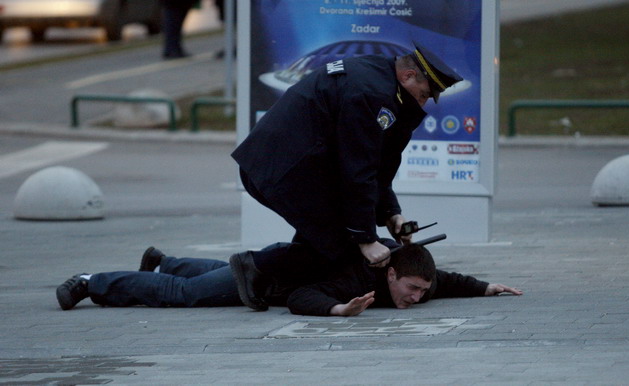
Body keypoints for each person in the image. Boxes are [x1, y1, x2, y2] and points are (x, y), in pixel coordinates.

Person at [230, 42, 464, 311]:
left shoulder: (381, 78)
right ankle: (254, 266)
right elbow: (358, 169)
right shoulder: (371, 94)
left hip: (292, 165)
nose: (422, 103)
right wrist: (365, 238)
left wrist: (391, 213)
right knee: (343, 246)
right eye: (423, 95)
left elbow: (377, 163)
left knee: (325, 242)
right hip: (281, 169)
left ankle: (289, 286)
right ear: (408, 75)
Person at [55, 244, 522, 313]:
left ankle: (164, 261)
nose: (417, 298)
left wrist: (485, 287)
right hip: (266, 279)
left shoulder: (416, 276)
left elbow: (446, 279)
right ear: (391, 272)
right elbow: (301, 297)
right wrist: (337, 310)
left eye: (423, 292)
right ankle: (90, 281)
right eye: (412, 289)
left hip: (275, 263)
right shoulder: (354, 280)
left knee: (208, 275)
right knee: (186, 296)